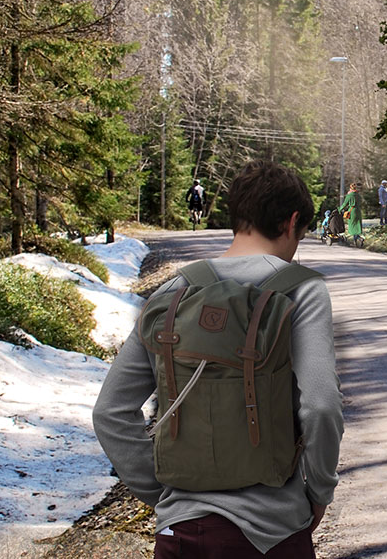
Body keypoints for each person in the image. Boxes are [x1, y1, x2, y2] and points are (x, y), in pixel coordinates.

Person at [94, 160, 343, 559]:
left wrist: (165, 497)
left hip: (180, 533)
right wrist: (318, 492)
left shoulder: (175, 292)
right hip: (272, 532)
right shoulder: (302, 290)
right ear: (292, 221)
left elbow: (109, 412)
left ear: (236, 216)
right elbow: (321, 405)